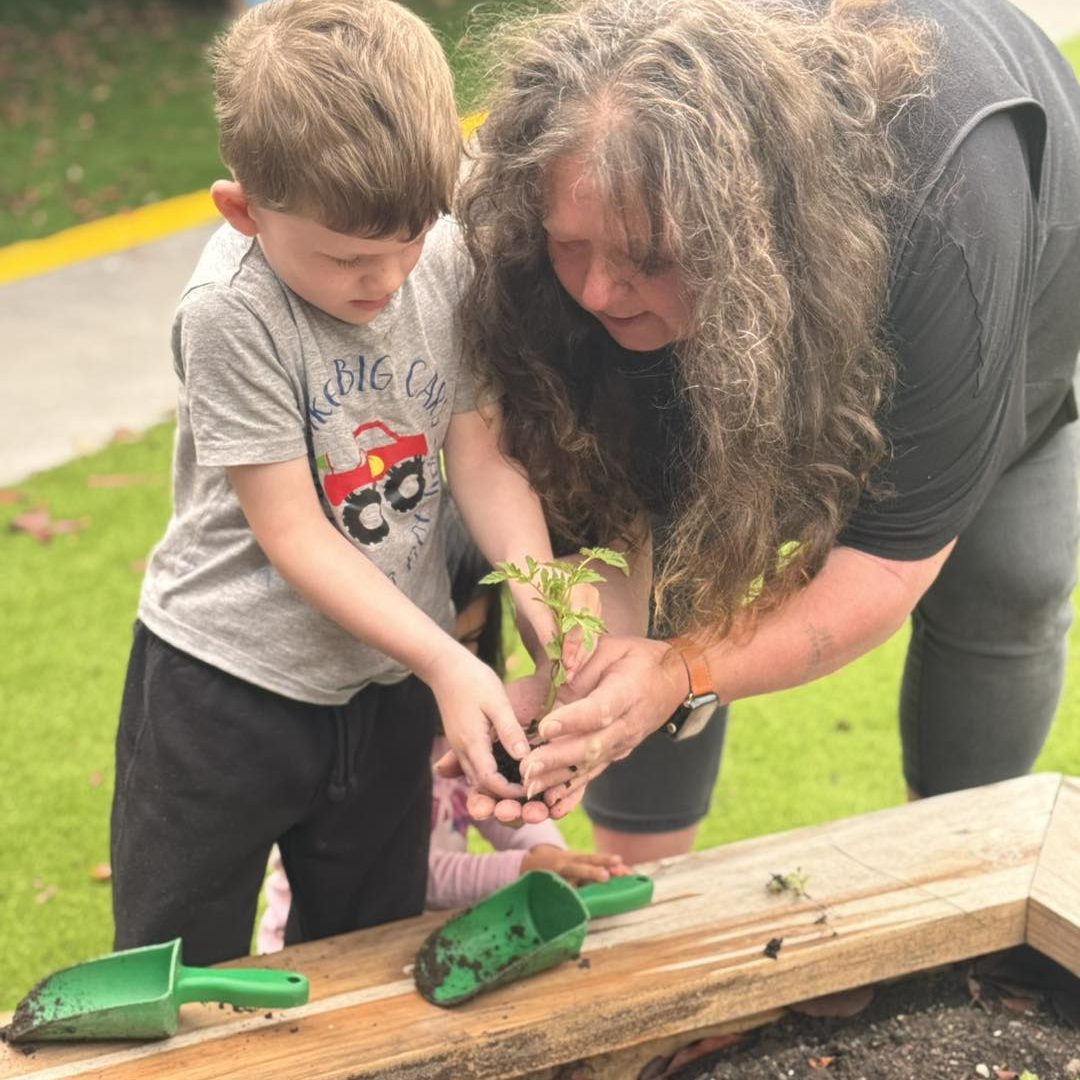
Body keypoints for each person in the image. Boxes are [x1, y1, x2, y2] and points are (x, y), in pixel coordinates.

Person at [453, 0, 1080, 861]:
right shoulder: (561, 198)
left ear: (753, 231)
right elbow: (605, 505)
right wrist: (592, 678)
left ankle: (960, 875)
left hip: (989, 278)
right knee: (669, 572)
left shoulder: (951, 213)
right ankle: (648, 894)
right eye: (574, 245)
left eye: (647, 258)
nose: (597, 291)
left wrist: (684, 672)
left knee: (1011, 580)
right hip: (749, 270)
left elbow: (888, 562)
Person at [111, 0, 580, 966]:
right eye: (349, 258)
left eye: (410, 239)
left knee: (372, 955)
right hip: (222, 693)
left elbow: (480, 455)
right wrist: (452, 661)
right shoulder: (229, 314)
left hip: (384, 681)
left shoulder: (437, 257)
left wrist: (554, 615)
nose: (390, 278)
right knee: (177, 973)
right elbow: (294, 534)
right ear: (243, 211)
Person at [257, 533, 626, 952]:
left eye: (470, 644)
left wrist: (548, 852)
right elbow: (402, 870)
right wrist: (525, 868)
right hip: (313, 952)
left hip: (414, 938)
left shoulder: (466, 725)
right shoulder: (361, 741)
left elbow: (491, 805)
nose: (455, 678)